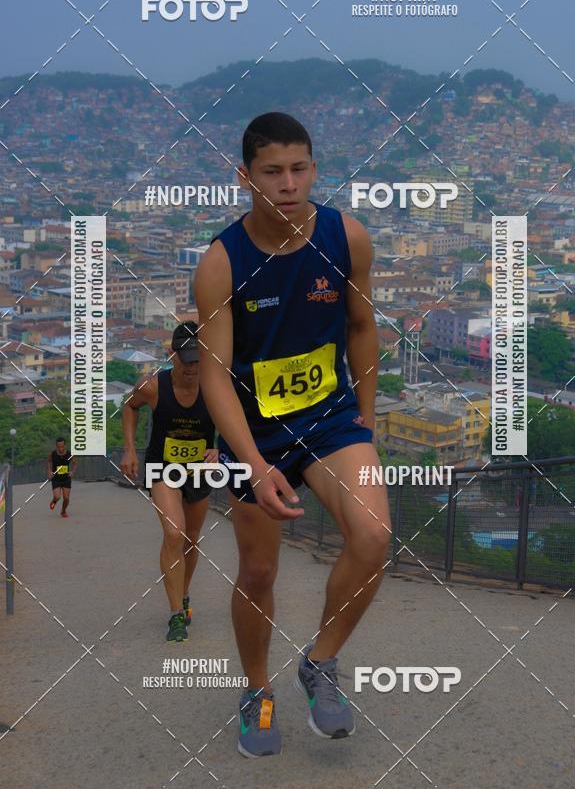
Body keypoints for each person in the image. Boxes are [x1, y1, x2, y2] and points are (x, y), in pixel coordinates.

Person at [195, 112, 390, 757]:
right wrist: (251, 461)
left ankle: (320, 662)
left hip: (331, 417)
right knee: (257, 570)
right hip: (255, 432)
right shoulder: (223, 264)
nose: (288, 184)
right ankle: (256, 689)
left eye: (299, 169)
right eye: (272, 172)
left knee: (374, 536)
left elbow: (363, 329)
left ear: (314, 168)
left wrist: (362, 416)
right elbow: (217, 376)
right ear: (244, 175)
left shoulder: (345, 236)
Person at [120, 321, 218, 642]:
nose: (191, 366)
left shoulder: (216, 387)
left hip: (198, 469)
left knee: (191, 538)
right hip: (163, 467)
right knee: (173, 533)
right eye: (185, 358)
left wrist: (221, 448)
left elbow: (239, 419)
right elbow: (129, 407)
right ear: (171, 355)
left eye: (197, 359)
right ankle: (176, 613)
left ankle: (184, 593)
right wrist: (130, 450)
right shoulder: (152, 386)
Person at [47, 437, 77, 517]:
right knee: (57, 497)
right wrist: (49, 471)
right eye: (59, 446)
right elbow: (49, 462)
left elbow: (75, 463)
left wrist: (72, 472)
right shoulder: (53, 454)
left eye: (62, 446)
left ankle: (63, 511)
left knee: (66, 498)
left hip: (66, 478)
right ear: (56, 446)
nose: (60, 448)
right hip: (56, 479)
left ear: (65, 445)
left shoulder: (69, 454)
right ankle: (54, 501)